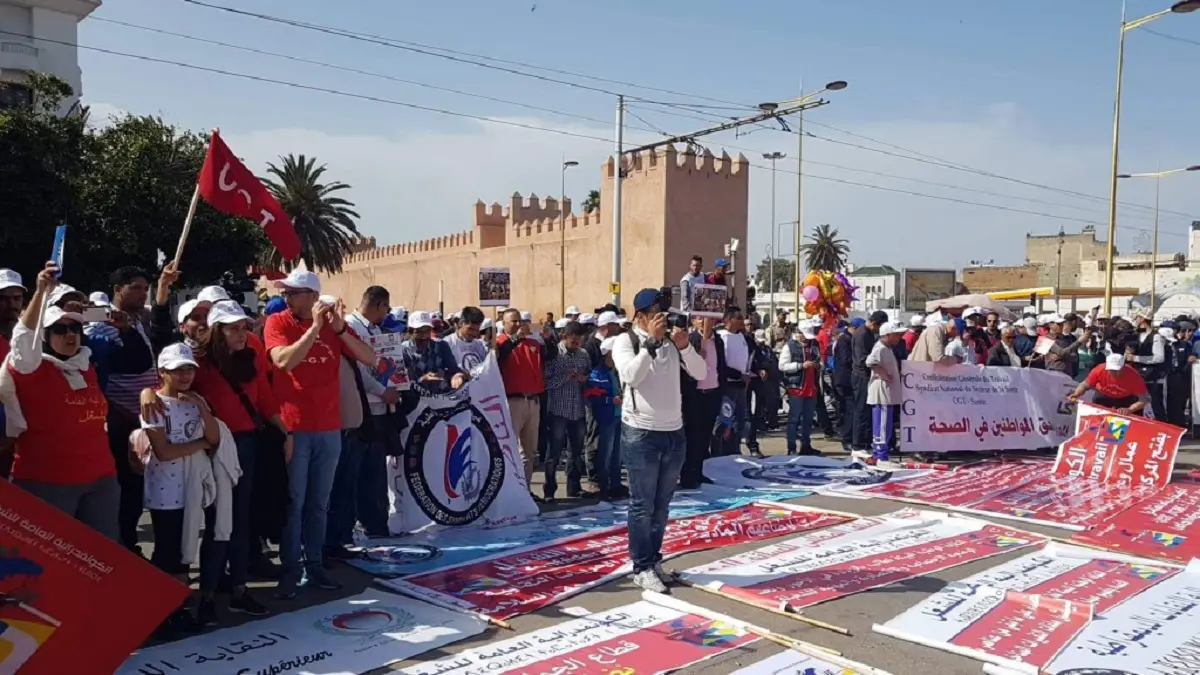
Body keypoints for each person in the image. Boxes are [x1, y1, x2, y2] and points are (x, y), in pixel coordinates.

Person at [263, 270, 375, 598]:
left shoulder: (333, 326)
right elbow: (283, 361)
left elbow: (370, 358)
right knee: (294, 503)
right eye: (287, 292)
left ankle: (314, 565)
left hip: (328, 428)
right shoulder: (278, 322)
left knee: (319, 504)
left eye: (294, 292)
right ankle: (290, 569)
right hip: (294, 428)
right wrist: (313, 329)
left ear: (313, 297)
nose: (287, 297)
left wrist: (338, 328)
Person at [0, 262, 118, 539]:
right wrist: (41, 291)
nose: (69, 335)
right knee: (49, 573)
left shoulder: (84, 364)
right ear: (45, 336)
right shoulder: (32, 367)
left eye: (74, 329)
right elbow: (23, 338)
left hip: (100, 480)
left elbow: (110, 318)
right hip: (47, 481)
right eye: (60, 329)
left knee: (103, 558)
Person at [611, 287, 706, 594]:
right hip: (641, 432)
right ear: (641, 316)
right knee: (642, 504)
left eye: (664, 313)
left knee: (662, 505)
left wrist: (685, 348)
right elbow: (630, 377)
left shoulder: (672, 343)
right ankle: (641, 566)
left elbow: (701, 373)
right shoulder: (626, 341)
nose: (662, 319)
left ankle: (653, 560)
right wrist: (649, 344)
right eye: (656, 314)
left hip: (673, 431)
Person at [141, 342, 227, 628]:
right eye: (178, 370)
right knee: (166, 552)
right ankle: (160, 612)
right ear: (163, 372)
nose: (185, 375)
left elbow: (214, 439)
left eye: (189, 369)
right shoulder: (153, 404)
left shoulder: (194, 401)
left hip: (190, 492)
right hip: (165, 493)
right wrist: (199, 444)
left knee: (184, 551)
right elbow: (164, 452)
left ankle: (177, 607)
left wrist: (203, 409)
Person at [105, 265, 159, 553]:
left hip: (142, 421)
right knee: (124, 490)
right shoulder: (102, 321)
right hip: (118, 418)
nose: (142, 293)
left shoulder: (137, 320)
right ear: (117, 290)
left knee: (136, 489)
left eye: (145, 288)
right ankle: (123, 545)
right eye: (135, 287)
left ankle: (128, 542)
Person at [342, 286, 397, 540]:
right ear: (379, 305)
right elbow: (357, 371)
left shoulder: (377, 329)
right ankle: (348, 528)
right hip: (359, 410)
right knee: (354, 474)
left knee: (375, 474)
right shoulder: (350, 327)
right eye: (386, 308)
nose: (386, 314)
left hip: (380, 411)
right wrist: (381, 390)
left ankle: (377, 526)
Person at [496, 308, 558, 492]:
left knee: (529, 451)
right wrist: (516, 339)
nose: (517, 324)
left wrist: (548, 338)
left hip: (533, 400)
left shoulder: (532, 343)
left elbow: (551, 355)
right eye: (513, 321)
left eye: (519, 321)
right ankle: (508, 490)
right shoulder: (501, 342)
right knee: (509, 449)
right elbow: (501, 355)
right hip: (513, 401)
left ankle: (525, 490)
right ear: (504, 323)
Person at [542, 321, 593, 501]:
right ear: (564, 337)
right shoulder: (554, 354)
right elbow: (545, 382)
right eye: (573, 341)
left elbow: (589, 377)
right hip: (558, 410)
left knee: (576, 452)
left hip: (578, 410)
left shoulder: (584, 355)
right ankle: (549, 490)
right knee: (554, 453)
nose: (577, 344)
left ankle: (574, 487)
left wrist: (584, 378)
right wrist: (565, 377)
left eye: (579, 341)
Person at [680, 317, 722, 489]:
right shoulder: (691, 340)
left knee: (705, 436)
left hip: (713, 392)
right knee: (693, 437)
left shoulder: (717, 340)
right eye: (699, 318)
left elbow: (721, 365)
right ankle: (688, 475)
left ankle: (698, 471)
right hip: (695, 394)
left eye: (707, 318)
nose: (704, 322)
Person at [717, 307, 760, 457]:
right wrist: (737, 375)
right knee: (725, 420)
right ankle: (722, 451)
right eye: (739, 318)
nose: (742, 321)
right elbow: (720, 364)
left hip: (742, 385)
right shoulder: (721, 337)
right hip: (728, 384)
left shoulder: (744, 338)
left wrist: (751, 372)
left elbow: (750, 358)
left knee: (739, 420)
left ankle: (735, 449)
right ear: (728, 320)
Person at [585, 337, 623, 499]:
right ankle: (604, 485)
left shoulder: (617, 372)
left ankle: (616, 484)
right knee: (605, 453)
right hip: (606, 417)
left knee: (617, 453)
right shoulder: (596, 374)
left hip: (619, 416)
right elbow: (593, 397)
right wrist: (610, 400)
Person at [862, 322, 904, 465]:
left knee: (885, 423)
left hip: (887, 391)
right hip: (882, 391)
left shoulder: (887, 348)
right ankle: (880, 455)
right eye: (896, 334)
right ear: (887, 335)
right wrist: (883, 374)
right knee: (882, 424)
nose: (899, 337)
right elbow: (870, 362)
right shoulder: (880, 347)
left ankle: (880, 453)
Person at [779, 320, 822, 456]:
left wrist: (818, 365)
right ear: (799, 333)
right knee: (794, 418)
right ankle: (791, 446)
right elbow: (782, 366)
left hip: (811, 387)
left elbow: (820, 361)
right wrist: (800, 365)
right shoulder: (790, 346)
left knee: (808, 419)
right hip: (796, 387)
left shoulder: (814, 345)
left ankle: (806, 445)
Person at [400, 311, 468, 394]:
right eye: (419, 332)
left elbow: (453, 370)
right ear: (410, 332)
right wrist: (421, 380)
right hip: (415, 400)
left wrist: (457, 377)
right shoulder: (404, 349)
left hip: (441, 396)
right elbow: (401, 380)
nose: (424, 336)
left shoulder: (441, 345)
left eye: (427, 331)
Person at [851, 311, 887, 451]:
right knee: (860, 411)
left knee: (866, 411)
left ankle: (865, 441)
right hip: (861, 376)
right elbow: (862, 358)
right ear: (874, 323)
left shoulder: (867, 333)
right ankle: (858, 444)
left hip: (865, 375)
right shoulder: (862, 334)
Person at [1068, 353, 1149, 416]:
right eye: (1111, 369)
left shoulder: (1133, 375)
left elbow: (1144, 399)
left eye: (1117, 369)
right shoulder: (1099, 370)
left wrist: (1130, 409)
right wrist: (1076, 394)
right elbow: (1084, 385)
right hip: (1103, 396)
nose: (1114, 372)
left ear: (1123, 366)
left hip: (1126, 399)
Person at [1128, 308, 1168, 420]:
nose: (1135, 320)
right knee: (1137, 405)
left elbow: (1159, 358)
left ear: (1142, 319)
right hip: (1137, 376)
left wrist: (1135, 358)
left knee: (1155, 405)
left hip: (1152, 377)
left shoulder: (1156, 337)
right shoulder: (1136, 336)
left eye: (1136, 317)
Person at [444, 306, 489, 372]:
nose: (474, 333)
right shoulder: (447, 343)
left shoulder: (480, 345)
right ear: (461, 323)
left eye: (477, 330)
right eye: (470, 329)